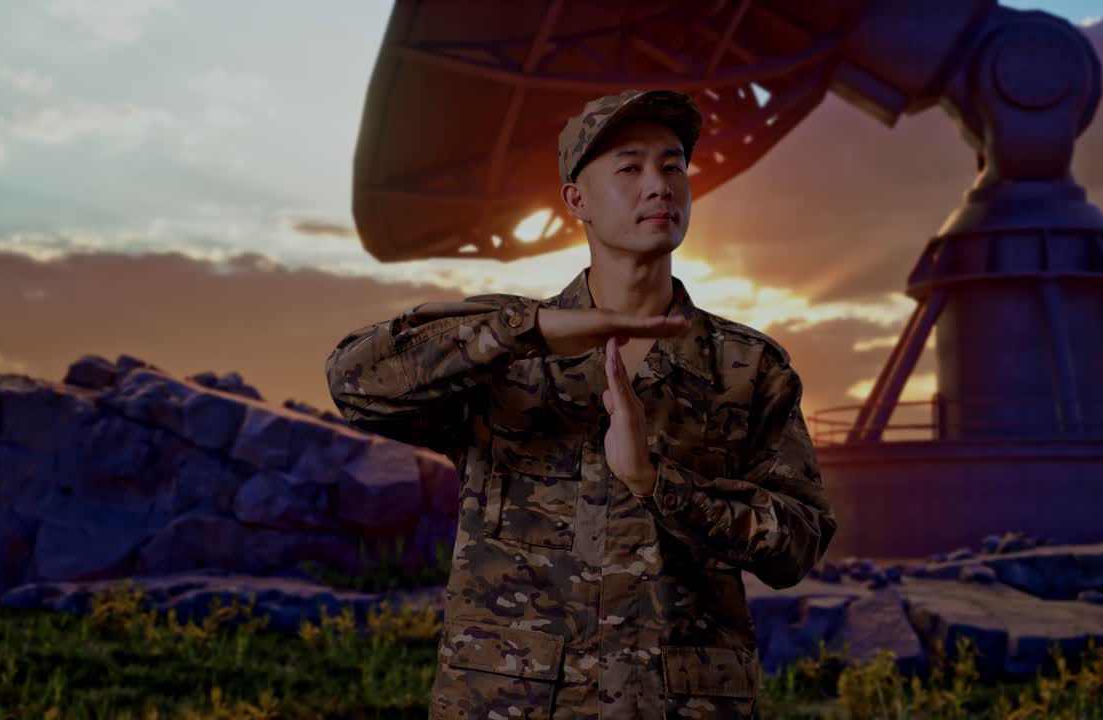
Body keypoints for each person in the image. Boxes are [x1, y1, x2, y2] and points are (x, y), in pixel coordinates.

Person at [325, 89, 837, 720]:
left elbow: (799, 546)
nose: (659, 185)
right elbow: (355, 383)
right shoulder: (503, 353)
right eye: (629, 167)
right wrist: (527, 331)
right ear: (576, 200)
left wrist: (657, 484)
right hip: (512, 701)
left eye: (673, 165)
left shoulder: (748, 367)